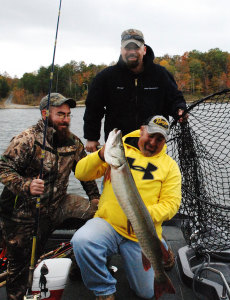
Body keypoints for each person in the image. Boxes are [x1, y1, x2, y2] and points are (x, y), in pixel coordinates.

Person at [0, 93, 100, 300]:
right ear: (45, 114)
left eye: (68, 115)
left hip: (58, 204)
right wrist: (25, 185)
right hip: (24, 213)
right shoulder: (26, 139)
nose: (65, 119)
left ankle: (78, 267)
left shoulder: (73, 142)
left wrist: (94, 197)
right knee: (20, 264)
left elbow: (84, 172)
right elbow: (3, 168)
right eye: (60, 114)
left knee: (99, 217)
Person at [71, 115, 182, 300]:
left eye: (159, 139)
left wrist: (143, 215)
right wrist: (100, 154)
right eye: (151, 135)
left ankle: (159, 245)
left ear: (164, 141)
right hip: (109, 224)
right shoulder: (118, 151)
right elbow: (81, 173)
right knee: (81, 241)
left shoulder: (170, 167)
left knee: (146, 293)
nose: (153, 142)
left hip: (141, 233)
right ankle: (104, 290)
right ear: (142, 129)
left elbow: (172, 205)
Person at [84, 28, 187, 152]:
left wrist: (179, 110)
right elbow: (93, 109)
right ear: (121, 50)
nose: (131, 52)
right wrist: (91, 137)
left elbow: (175, 99)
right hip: (119, 148)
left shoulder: (161, 74)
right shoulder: (106, 77)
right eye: (127, 48)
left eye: (136, 48)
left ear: (144, 50)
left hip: (153, 147)